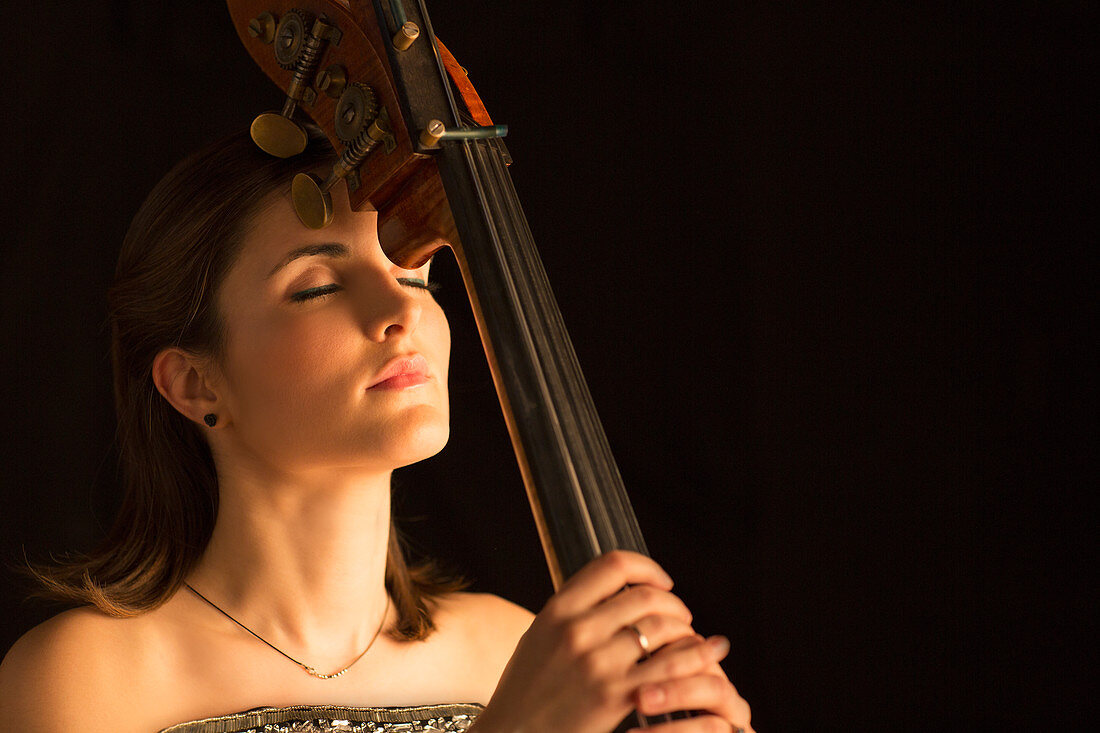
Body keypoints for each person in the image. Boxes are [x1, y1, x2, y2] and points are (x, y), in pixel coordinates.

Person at [0, 128, 752, 733]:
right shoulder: (82, 679)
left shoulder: (514, 646)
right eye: (319, 285)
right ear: (197, 382)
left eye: (416, 273)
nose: (401, 310)